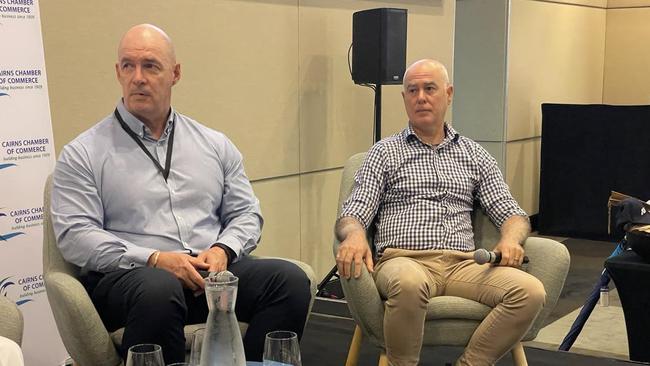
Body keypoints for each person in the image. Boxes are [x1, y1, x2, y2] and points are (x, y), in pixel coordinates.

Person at [50, 24, 311, 364]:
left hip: (209, 275)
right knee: (160, 288)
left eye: (151, 66)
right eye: (128, 66)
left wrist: (224, 248)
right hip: (132, 281)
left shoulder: (214, 144)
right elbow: (75, 236)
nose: (138, 77)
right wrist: (154, 258)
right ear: (118, 73)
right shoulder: (83, 153)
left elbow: (246, 213)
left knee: (289, 281)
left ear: (175, 73)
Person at [334, 59, 546, 366]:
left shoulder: (474, 154)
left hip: (465, 265)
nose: (421, 97)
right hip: (405, 261)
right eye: (412, 90)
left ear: (448, 94)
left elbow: (511, 213)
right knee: (407, 284)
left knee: (530, 292)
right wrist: (354, 235)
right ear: (404, 98)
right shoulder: (384, 153)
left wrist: (511, 240)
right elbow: (355, 210)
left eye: (429, 88)